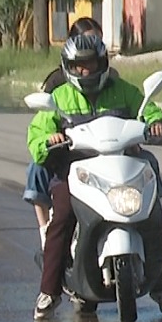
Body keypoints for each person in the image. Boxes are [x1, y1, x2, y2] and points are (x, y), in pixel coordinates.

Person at [28, 32, 162, 322]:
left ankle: (160, 285)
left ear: (103, 63)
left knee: (152, 217)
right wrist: (49, 139)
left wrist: (157, 124)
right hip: (78, 169)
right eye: (79, 66)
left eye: (92, 64)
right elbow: (36, 135)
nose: (86, 71)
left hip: (121, 166)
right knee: (61, 214)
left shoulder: (124, 90)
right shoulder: (59, 98)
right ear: (68, 67)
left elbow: (151, 111)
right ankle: (49, 291)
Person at [25, 17, 111, 241]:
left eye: (98, 41)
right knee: (37, 168)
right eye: (87, 41)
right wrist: (53, 138)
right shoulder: (56, 83)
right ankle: (45, 229)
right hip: (69, 150)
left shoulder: (112, 80)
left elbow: (132, 110)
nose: (91, 52)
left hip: (105, 149)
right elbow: (43, 122)